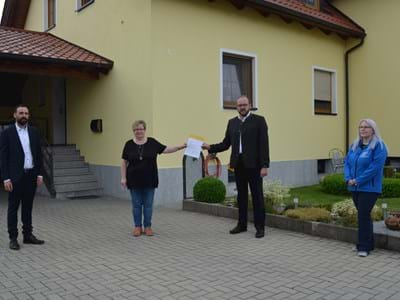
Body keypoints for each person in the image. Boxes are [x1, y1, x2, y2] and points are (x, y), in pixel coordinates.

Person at [202, 96, 270, 238]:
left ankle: (260, 227)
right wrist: (210, 147)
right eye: (239, 105)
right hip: (238, 165)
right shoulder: (232, 123)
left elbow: (264, 145)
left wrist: (264, 165)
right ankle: (242, 225)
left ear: (249, 105)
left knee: (257, 197)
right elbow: (226, 143)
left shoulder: (259, 121)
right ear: (236, 107)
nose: (242, 107)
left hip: (254, 166)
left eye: (244, 105)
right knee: (241, 197)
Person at [121, 120, 185, 237]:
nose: (138, 131)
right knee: (136, 205)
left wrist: (181, 147)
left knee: (148, 204)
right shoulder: (128, 144)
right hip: (133, 180)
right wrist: (123, 178)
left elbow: (166, 149)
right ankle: (137, 227)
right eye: (136, 129)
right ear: (133, 131)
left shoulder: (152, 142)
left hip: (150, 179)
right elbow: (124, 162)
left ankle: (148, 227)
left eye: (141, 129)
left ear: (145, 130)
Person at [0, 104, 45, 250]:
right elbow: (3, 157)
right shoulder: (7, 133)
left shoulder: (34, 132)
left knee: (28, 207)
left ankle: (27, 235)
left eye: (26, 113)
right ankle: (13, 238)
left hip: (30, 175)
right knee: (13, 208)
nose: (24, 115)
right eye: (21, 113)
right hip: (15, 177)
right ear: (14, 115)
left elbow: (38, 154)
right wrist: (6, 178)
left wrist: (39, 173)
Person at [344, 119, 387, 257]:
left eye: (366, 127)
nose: (363, 129)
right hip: (355, 187)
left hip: (369, 188)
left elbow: (375, 168)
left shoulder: (379, 146)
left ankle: (363, 247)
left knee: (363, 215)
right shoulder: (355, 145)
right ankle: (368, 244)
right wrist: (348, 178)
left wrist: (358, 180)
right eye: (361, 127)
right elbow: (347, 163)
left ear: (373, 129)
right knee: (364, 216)